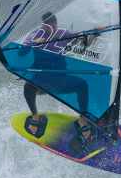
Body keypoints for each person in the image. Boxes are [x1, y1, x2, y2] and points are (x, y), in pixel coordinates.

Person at [22, 12, 97, 149]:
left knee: (82, 84)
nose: (50, 28)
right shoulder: (35, 35)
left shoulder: (63, 35)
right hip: (42, 81)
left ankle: (82, 120)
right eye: (46, 26)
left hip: (60, 80)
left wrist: (95, 34)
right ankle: (35, 116)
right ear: (42, 26)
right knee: (28, 86)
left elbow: (85, 44)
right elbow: (22, 52)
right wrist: (33, 43)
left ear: (55, 24)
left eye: (52, 25)